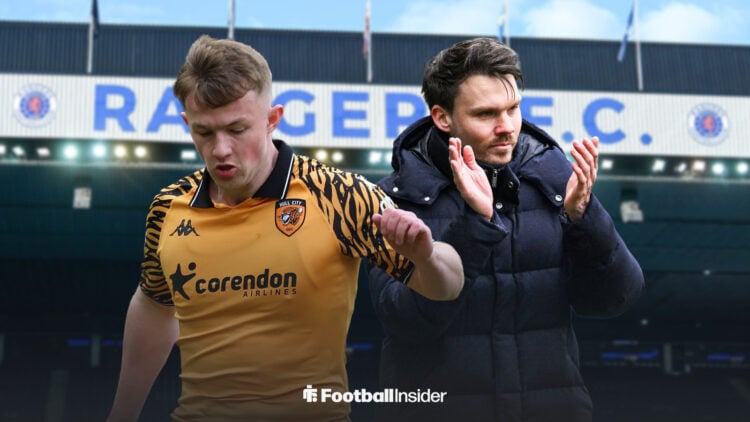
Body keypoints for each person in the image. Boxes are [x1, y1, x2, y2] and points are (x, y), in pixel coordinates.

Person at [106, 34, 475, 422]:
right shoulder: (169, 206)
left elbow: (448, 285)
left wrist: (426, 255)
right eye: (205, 132)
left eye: (237, 129)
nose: (221, 149)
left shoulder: (337, 195)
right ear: (187, 123)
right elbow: (154, 302)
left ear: (272, 120)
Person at [368, 37, 645, 421]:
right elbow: (406, 322)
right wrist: (475, 225)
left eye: (513, 109)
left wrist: (583, 218)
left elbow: (613, 300)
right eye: (485, 114)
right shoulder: (394, 200)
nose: (507, 127)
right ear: (442, 117)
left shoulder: (555, 183)